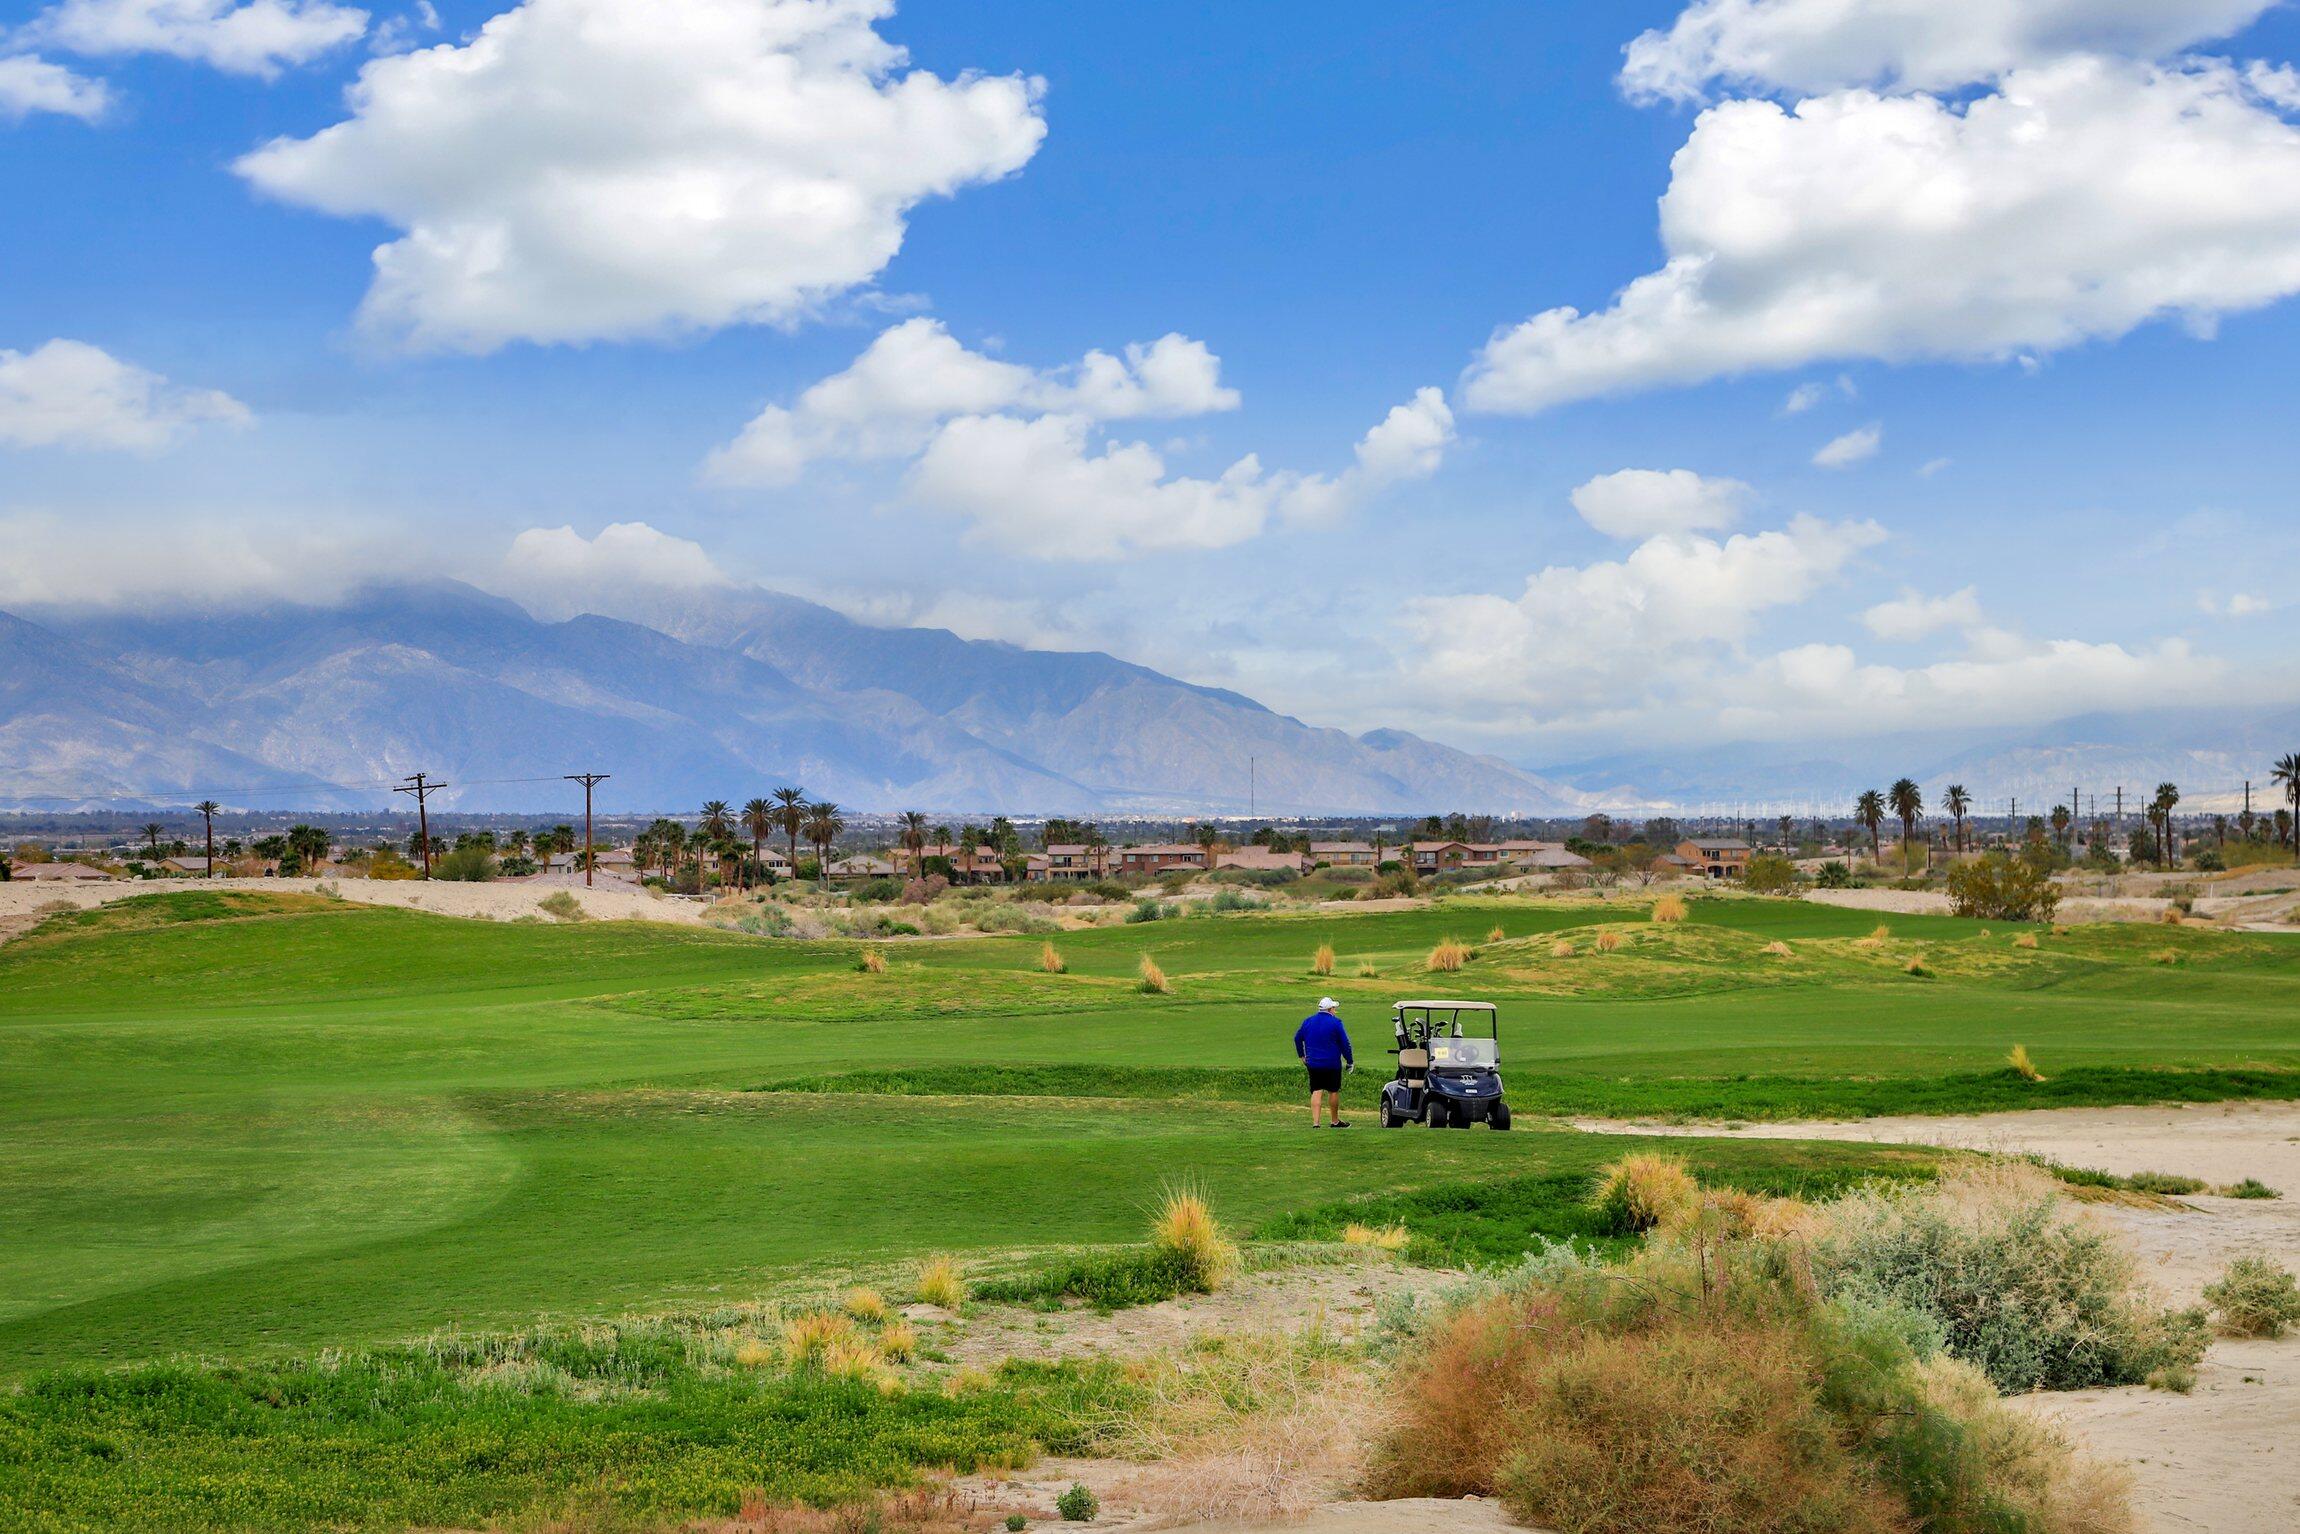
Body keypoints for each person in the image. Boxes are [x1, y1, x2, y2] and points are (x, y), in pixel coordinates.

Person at [1293, 996, 1354, 1128]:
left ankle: (1316, 1123)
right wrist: (1349, 1060)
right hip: (1332, 1063)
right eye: (1334, 1008)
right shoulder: (1336, 1023)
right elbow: (1345, 1043)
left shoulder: (1308, 1021)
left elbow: (1297, 1038)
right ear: (1330, 1009)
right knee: (1333, 1090)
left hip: (1313, 1063)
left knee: (1316, 1090)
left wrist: (1302, 1055)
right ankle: (1334, 1121)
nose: (1335, 1010)